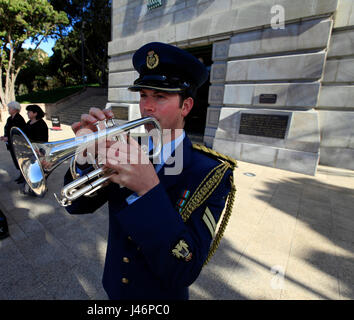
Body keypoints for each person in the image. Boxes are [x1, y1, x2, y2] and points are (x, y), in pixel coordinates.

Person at [63, 42, 237, 300]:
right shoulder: (130, 148)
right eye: (144, 95)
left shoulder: (211, 172)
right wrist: (85, 156)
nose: (147, 107)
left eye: (160, 97)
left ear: (186, 107)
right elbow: (76, 207)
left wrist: (148, 189)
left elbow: (186, 268)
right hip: (115, 289)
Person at [0, 101, 26, 183]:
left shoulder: (19, 119)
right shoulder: (9, 118)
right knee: (16, 161)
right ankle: (21, 175)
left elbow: (19, 133)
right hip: (11, 144)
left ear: (15, 109)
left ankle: (24, 177)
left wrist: (8, 138)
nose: (8, 110)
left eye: (9, 108)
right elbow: (8, 129)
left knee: (20, 161)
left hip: (17, 144)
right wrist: (5, 137)